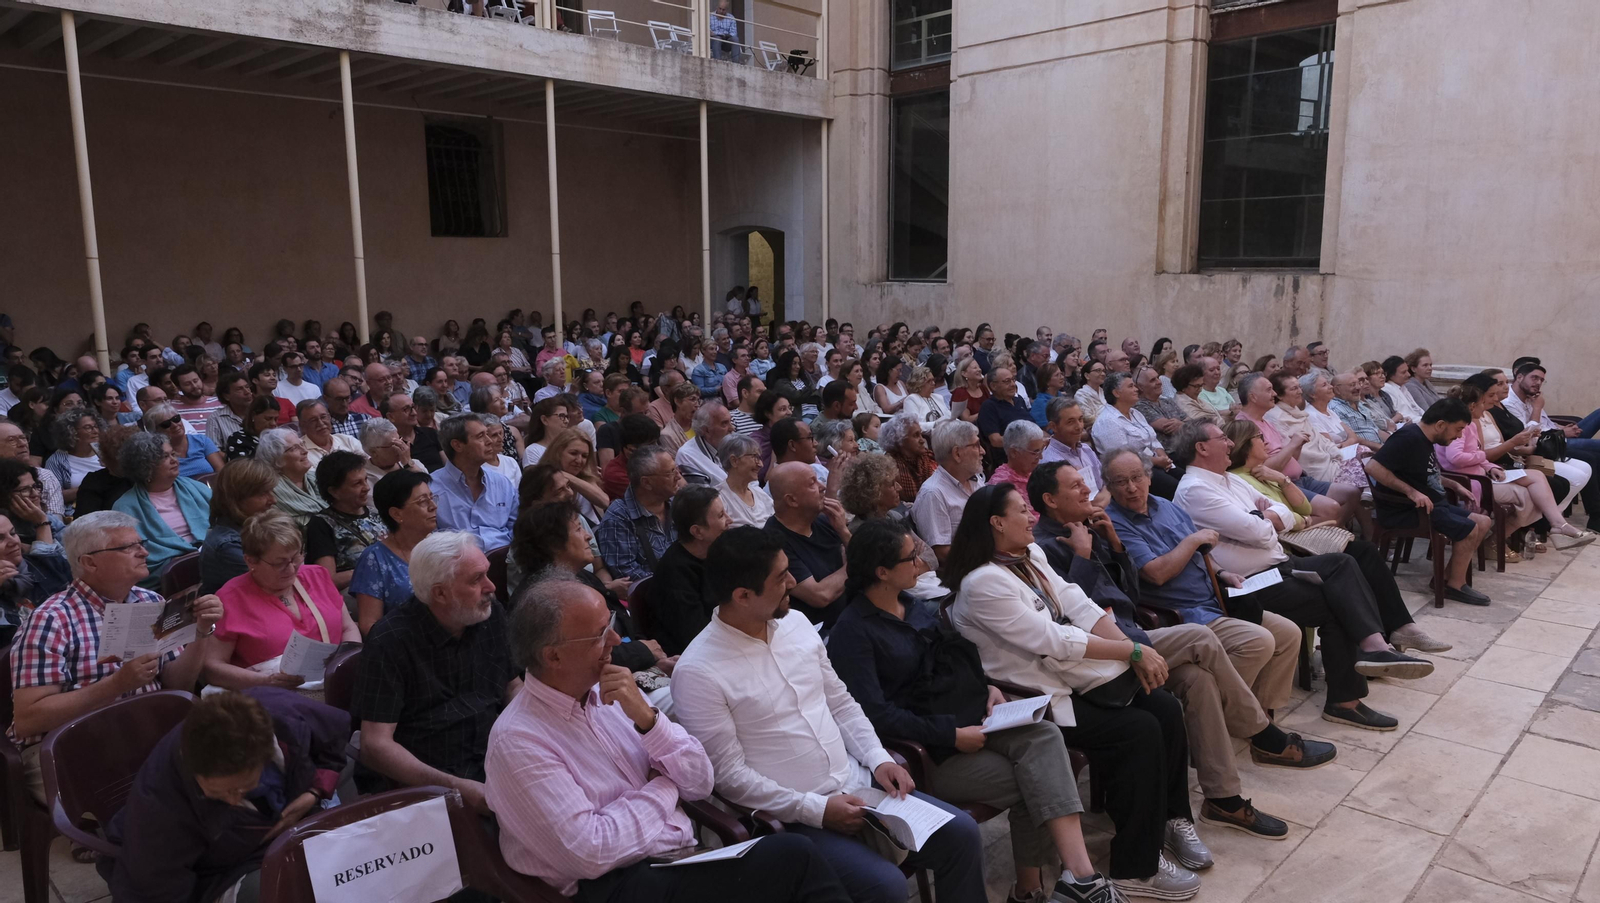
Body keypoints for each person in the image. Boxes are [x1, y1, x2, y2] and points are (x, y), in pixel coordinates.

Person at [673, 526, 987, 903]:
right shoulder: (699, 671)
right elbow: (729, 777)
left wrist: (878, 758)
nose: (793, 582)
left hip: (856, 785)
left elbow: (840, 702)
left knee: (962, 834)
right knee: (885, 885)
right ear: (742, 595)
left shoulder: (796, 625)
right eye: (781, 578)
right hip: (790, 819)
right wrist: (817, 809)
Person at [485, 578, 849, 903]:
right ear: (553, 656)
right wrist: (662, 788)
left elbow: (699, 781)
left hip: (674, 859)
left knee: (793, 864)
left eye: (610, 624)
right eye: (599, 634)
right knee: (795, 860)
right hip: (609, 886)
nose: (616, 640)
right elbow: (591, 851)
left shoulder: (613, 693)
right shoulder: (519, 740)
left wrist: (648, 721)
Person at [827, 518, 1121, 903]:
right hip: (925, 753)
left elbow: (956, 661)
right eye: (912, 557)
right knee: (1042, 778)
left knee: (1046, 738)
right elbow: (875, 716)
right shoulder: (853, 632)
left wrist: (988, 688)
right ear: (882, 572)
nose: (923, 563)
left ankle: (1073, 879)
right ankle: (1044, 888)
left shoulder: (913, 606)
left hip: (969, 720)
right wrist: (950, 735)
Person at [942, 484, 1204, 901]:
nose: (1031, 517)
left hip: (1072, 679)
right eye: (1021, 510)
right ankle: (1137, 868)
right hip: (1034, 699)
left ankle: (1171, 821)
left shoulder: (1029, 556)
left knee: (1165, 707)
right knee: (1138, 730)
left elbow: (1078, 604)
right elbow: (1053, 639)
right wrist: (1132, 649)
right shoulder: (982, 583)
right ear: (996, 523)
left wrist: (1132, 653)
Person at [8, 511, 222, 801]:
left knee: (231, 764)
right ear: (89, 562)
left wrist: (200, 633)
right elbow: (29, 720)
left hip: (145, 728)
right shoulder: (51, 619)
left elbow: (178, 685)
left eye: (140, 543)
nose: (144, 552)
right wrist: (116, 684)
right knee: (162, 798)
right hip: (69, 742)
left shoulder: (151, 601)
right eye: (128, 547)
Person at [101, 688, 350, 903]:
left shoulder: (284, 715)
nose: (232, 801)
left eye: (240, 789)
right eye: (218, 792)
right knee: (286, 889)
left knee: (352, 851)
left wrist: (315, 792)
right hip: (216, 870)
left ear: (263, 757)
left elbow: (333, 741)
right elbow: (156, 888)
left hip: (284, 824)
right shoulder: (161, 806)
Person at [352, 531, 519, 808]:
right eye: (477, 579)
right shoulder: (391, 640)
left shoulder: (490, 615)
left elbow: (513, 686)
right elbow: (375, 747)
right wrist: (456, 788)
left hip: (491, 757)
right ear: (440, 593)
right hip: (429, 781)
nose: (490, 587)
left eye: (486, 574)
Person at [202, 510, 360, 691]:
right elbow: (213, 668)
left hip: (336, 683)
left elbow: (347, 627)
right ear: (251, 561)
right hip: (273, 696)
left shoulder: (317, 575)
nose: (292, 569)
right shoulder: (231, 598)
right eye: (280, 563)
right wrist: (265, 681)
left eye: (296, 557)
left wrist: (348, 661)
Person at [1504, 361, 1600, 529]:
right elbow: (1527, 436)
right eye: (1534, 378)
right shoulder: (1509, 404)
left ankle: (1594, 514)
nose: (1538, 383)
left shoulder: (1530, 398)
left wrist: (1562, 428)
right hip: (1545, 446)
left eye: (1541, 380)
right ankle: (1595, 515)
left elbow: (1545, 423)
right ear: (1519, 377)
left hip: (1557, 437)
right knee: (1591, 455)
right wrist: (1539, 408)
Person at [111, 431, 211, 587]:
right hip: (166, 572)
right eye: (165, 457)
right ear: (145, 465)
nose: (174, 461)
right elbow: (133, 554)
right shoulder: (125, 506)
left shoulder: (195, 487)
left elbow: (223, 521)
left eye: (173, 454)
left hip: (209, 555)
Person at [764, 462, 851, 629]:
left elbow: (862, 557)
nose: (822, 487)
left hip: (851, 615)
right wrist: (855, 563)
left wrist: (843, 531)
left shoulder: (825, 520)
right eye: (812, 483)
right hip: (819, 631)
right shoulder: (773, 542)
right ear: (792, 500)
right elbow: (820, 595)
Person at [595, 444, 682, 582]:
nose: (678, 476)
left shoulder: (678, 503)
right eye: (670, 472)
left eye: (676, 469)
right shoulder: (618, 517)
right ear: (646, 483)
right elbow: (626, 573)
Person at [431, 413, 517, 548]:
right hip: (459, 563)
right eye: (480, 436)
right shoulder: (431, 489)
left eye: (488, 434)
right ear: (457, 445)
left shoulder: (502, 483)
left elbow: (517, 528)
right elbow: (432, 542)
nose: (489, 441)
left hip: (506, 560)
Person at [198, 458, 278, 595]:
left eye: (271, 491)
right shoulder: (228, 546)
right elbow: (274, 588)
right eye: (263, 493)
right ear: (236, 499)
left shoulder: (257, 528)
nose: (273, 500)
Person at [912, 419, 987, 564]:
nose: (983, 451)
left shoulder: (976, 479)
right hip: (970, 571)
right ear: (957, 454)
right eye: (976, 445)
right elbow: (942, 553)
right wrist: (989, 556)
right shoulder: (933, 494)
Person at [254, 427, 324, 528]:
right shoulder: (273, 491)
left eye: (302, 444)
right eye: (294, 448)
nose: (305, 451)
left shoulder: (316, 477)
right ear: (277, 458)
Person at [43, 407, 102, 509]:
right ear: (71, 432)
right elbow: (53, 497)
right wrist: (90, 487)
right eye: (88, 427)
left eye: (96, 426)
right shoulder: (56, 461)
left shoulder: (106, 452)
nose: (95, 431)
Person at [145, 403, 224, 479]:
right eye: (166, 424)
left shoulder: (202, 440)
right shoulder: (156, 453)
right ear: (155, 431)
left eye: (176, 419)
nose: (175, 425)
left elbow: (220, 470)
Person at [991, 419, 1047, 525]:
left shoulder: (1037, 473)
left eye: (1041, 450)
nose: (1041, 457)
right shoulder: (1001, 486)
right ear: (1014, 452)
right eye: (1035, 452)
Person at [717, 432, 774, 528]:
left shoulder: (761, 495)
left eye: (760, 458)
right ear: (734, 461)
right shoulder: (718, 499)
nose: (761, 464)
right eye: (755, 457)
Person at [601, 414, 662, 502]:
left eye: (657, 442)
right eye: (651, 444)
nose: (657, 448)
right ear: (630, 450)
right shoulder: (615, 475)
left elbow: (680, 484)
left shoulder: (659, 460)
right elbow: (658, 495)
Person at [676, 400, 733, 486]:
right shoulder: (687, 456)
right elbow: (704, 497)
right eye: (724, 423)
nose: (732, 428)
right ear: (706, 430)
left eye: (730, 421)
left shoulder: (730, 444)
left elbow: (751, 481)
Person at [224, 395, 282, 462]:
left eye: (276, 419)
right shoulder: (237, 440)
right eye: (268, 419)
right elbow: (242, 470)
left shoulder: (279, 440)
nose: (273, 423)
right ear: (253, 415)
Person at [205, 371, 254, 449]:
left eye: (247, 387)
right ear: (226, 396)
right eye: (239, 389)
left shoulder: (260, 413)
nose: (247, 392)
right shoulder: (215, 419)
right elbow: (213, 451)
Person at [1380, 355, 1426, 425]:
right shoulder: (1387, 388)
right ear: (1391, 375)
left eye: (1407, 371)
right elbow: (1402, 414)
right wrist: (1426, 421)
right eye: (1403, 372)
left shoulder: (1402, 386)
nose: (1408, 374)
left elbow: (1417, 409)